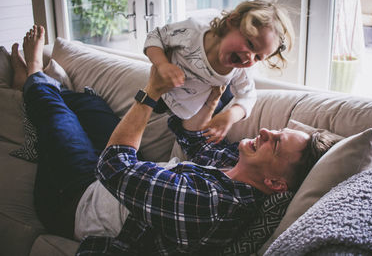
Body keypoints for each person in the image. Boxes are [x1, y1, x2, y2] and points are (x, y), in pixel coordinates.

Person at [12, 25, 338, 256]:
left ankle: (33, 77)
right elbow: (192, 138)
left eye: (276, 144)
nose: (266, 132)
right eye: (277, 132)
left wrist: (151, 93)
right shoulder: (237, 171)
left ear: (275, 182)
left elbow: (113, 166)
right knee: (93, 104)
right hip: (118, 171)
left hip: (74, 199)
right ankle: (41, 87)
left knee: (55, 113)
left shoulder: (216, 207)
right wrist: (212, 102)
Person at [144, 0, 295, 143]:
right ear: (232, 22)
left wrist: (230, 116)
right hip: (164, 93)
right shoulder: (193, 32)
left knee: (197, 135)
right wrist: (162, 64)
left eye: (258, 57)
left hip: (197, 107)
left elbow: (248, 96)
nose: (250, 57)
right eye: (250, 43)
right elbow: (155, 36)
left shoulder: (239, 70)